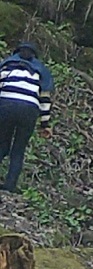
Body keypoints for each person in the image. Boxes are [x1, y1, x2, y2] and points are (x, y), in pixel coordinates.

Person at [0, 37, 52, 193]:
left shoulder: (6, 64)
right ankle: (10, 185)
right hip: (29, 109)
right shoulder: (40, 69)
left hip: (6, 105)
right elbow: (45, 98)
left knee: (2, 144)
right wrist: (45, 124)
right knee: (19, 148)